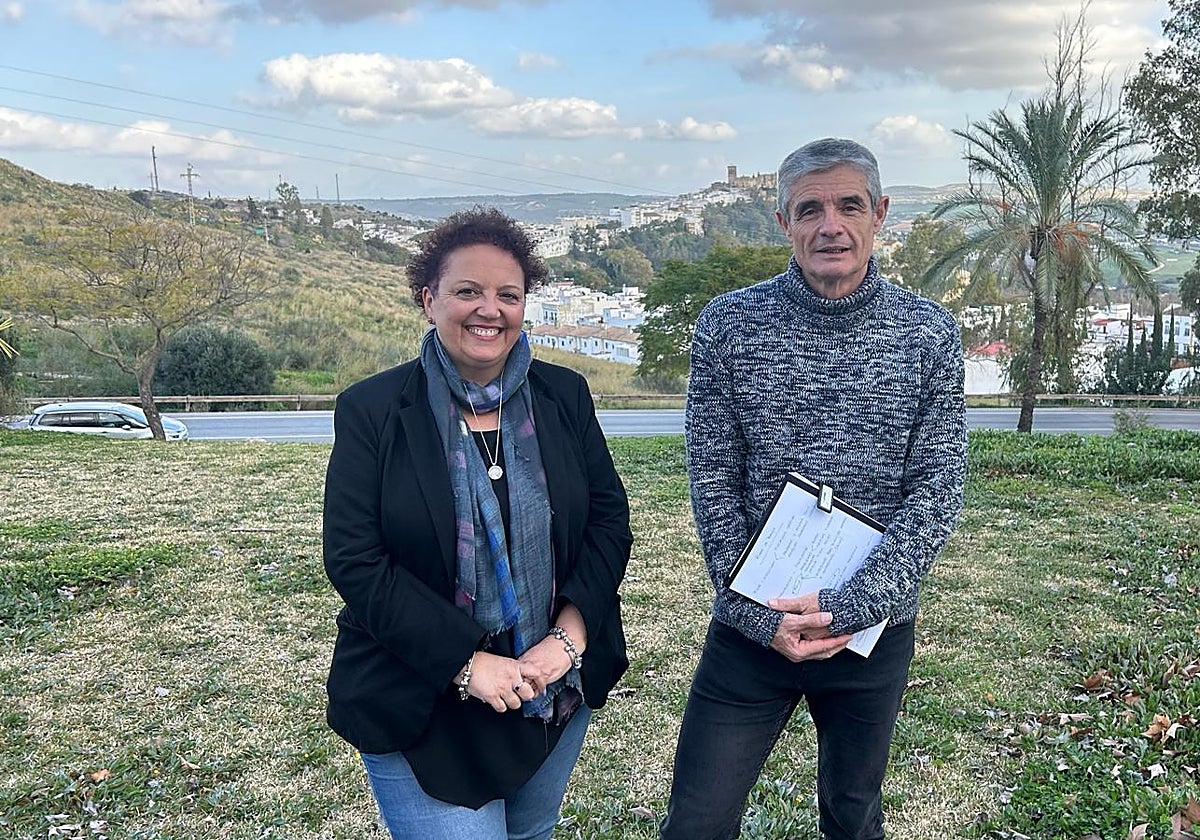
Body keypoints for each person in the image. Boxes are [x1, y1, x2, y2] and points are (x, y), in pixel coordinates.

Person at [659, 138, 967, 840]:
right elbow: (713, 480)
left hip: (871, 632)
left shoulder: (928, 333)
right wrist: (760, 617)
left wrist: (853, 607)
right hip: (752, 626)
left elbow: (937, 486)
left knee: (853, 816)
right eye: (810, 209)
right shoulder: (729, 327)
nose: (831, 225)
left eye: (849, 206)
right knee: (696, 821)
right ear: (783, 223)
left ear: (880, 213)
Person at [322, 207, 632, 840]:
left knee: (530, 832)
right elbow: (355, 558)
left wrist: (565, 643)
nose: (489, 310)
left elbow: (607, 522)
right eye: (468, 291)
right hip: (422, 699)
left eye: (508, 295)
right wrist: (467, 663)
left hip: (548, 688)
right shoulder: (375, 409)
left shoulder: (563, 396)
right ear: (429, 298)